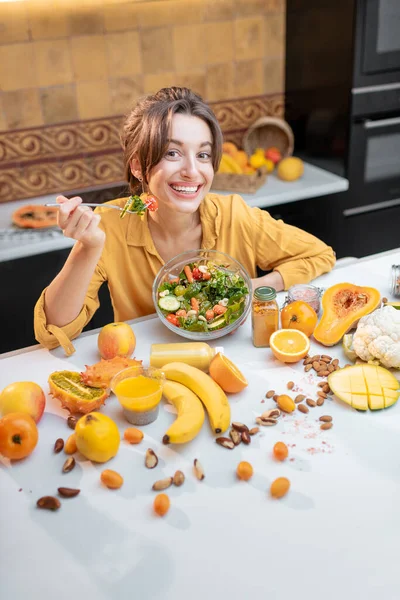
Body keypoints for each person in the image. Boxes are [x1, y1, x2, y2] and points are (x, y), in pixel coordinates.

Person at [34, 87, 336, 355]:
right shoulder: (109, 225)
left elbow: (320, 254)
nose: (192, 171)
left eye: (203, 155)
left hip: (237, 361)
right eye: (173, 152)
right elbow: (53, 332)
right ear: (139, 167)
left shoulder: (235, 214)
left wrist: (253, 286)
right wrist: (88, 248)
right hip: (146, 371)